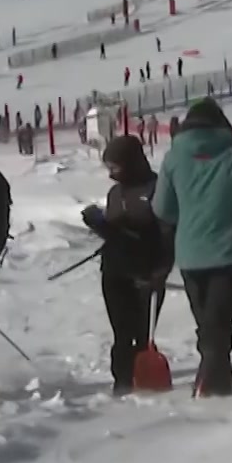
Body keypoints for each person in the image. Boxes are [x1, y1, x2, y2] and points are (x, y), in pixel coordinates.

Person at [153, 99, 232, 397]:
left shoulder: (174, 157)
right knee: (218, 319)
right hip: (230, 248)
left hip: (189, 252)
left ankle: (216, 377)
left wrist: (185, 216)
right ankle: (214, 380)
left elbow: (162, 208)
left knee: (206, 319)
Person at [80, 136, 174, 394]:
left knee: (142, 334)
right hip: (115, 271)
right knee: (122, 333)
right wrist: (99, 225)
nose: (111, 174)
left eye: (115, 167)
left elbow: (167, 232)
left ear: (132, 163)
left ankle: (144, 382)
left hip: (147, 273)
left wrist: (161, 269)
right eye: (108, 168)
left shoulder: (157, 189)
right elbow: (117, 234)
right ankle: (122, 383)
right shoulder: (115, 193)